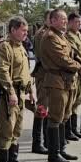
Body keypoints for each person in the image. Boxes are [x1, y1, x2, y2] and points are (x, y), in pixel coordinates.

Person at [38, 9, 81, 162]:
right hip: (56, 81)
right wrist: (79, 66)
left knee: (64, 115)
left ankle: (61, 149)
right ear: (53, 20)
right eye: (61, 19)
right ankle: (54, 153)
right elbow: (62, 59)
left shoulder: (61, 36)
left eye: (65, 19)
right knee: (56, 117)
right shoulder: (50, 37)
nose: (65, 22)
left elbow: (72, 53)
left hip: (66, 80)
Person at [0, 16, 33, 162]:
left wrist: (31, 91)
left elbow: (25, 71)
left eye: (26, 30)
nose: (26, 33)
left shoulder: (21, 47)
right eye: (23, 30)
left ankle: (13, 160)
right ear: (13, 30)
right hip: (9, 94)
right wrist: (10, 92)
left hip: (21, 93)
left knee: (17, 128)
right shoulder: (5, 47)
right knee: (7, 129)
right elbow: (2, 71)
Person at [64, 13, 81, 139]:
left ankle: (73, 129)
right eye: (76, 22)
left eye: (80, 22)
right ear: (70, 22)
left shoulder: (80, 35)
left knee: (77, 101)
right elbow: (75, 53)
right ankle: (68, 131)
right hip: (77, 72)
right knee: (71, 103)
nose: (79, 24)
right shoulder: (68, 36)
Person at [31, 15, 51, 154]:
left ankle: (47, 140)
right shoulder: (42, 34)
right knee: (42, 108)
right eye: (52, 19)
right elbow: (45, 55)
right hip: (43, 74)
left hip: (49, 75)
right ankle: (37, 142)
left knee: (47, 108)